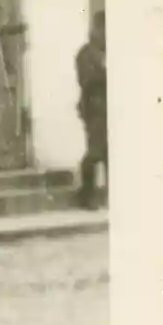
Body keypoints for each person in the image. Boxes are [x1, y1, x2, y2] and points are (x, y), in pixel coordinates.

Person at [74, 13, 108, 208]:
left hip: (111, 109)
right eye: (102, 29)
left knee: (111, 154)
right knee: (95, 153)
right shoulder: (85, 54)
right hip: (94, 109)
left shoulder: (110, 52)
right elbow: (85, 80)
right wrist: (105, 73)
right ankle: (86, 195)